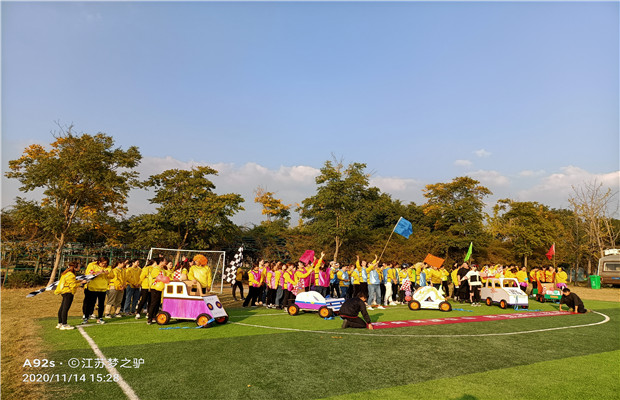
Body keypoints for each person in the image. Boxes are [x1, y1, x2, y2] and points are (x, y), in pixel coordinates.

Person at [55, 262, 87, 330]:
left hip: (64, 291)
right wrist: (81, 283)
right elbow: (73, 285)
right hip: (68, 292)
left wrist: (79, 281)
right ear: (75, 267)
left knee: (62, 308)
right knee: (65, 309)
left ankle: (60, 323)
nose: (79, 268)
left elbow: (71, 282)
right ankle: (64, 324)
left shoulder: (66, 273)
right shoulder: (71, 275)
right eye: (78, 266)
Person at [82, 257, 110, 325]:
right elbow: (89, 275)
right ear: (99, 262)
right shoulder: (92, 265)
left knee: (101, 304)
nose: (104, 265)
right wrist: (97, 273)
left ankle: (100, 318)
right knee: (90, 303)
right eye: (103, 263)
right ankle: (86, 317)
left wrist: (107, 273)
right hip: (92, 287)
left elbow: (112, 275)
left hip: (102, 288)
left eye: (105, 263)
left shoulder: (108, 267)